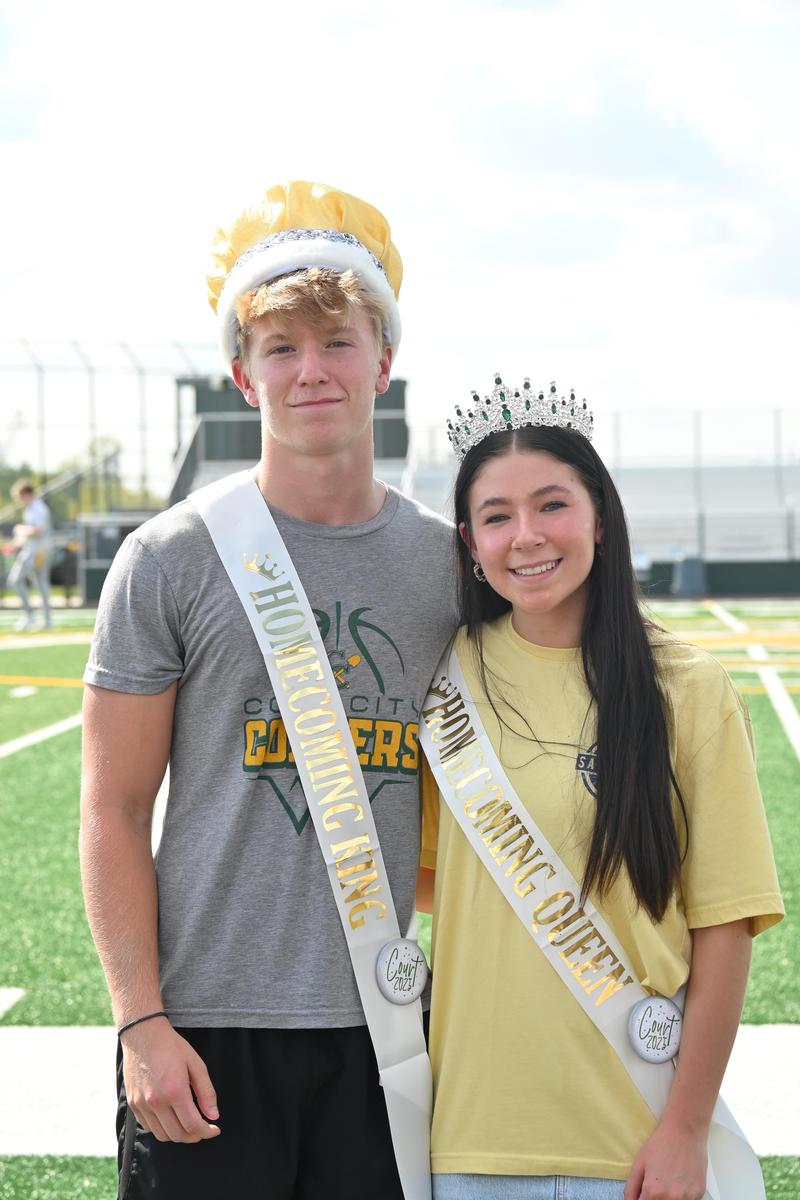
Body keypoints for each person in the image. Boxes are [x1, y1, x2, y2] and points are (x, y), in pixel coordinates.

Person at [80, 181, 456, 1200]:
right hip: (203, 1032)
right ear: (241, 376)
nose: (310, 370)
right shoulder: (170, 557)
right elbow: (112, 809)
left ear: (384, 357)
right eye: (279, 347)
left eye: (336, 341)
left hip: (381, 1029)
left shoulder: (449, 568)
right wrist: (140, 1023)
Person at [418, 377, 783, 1200]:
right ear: (471, 544)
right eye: (496, 516)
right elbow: (429, 877)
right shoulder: (445, 680)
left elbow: (726, 923)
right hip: (472, 1141)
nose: (527, 536)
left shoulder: (688, 688)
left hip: (637, 1143)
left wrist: (687, 1129)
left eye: (553, 505)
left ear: (601, 518)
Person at [8, 479, 53, 630]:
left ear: (26, 494)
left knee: (17, 580)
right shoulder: (30, 509)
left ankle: (33, 616)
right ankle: (43, 619)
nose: (19, 500)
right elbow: (29, 535)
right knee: (39, 584)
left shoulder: (39, 508)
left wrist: (20, 529)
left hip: (38, 552)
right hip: (33, 551)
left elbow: (37, 531)